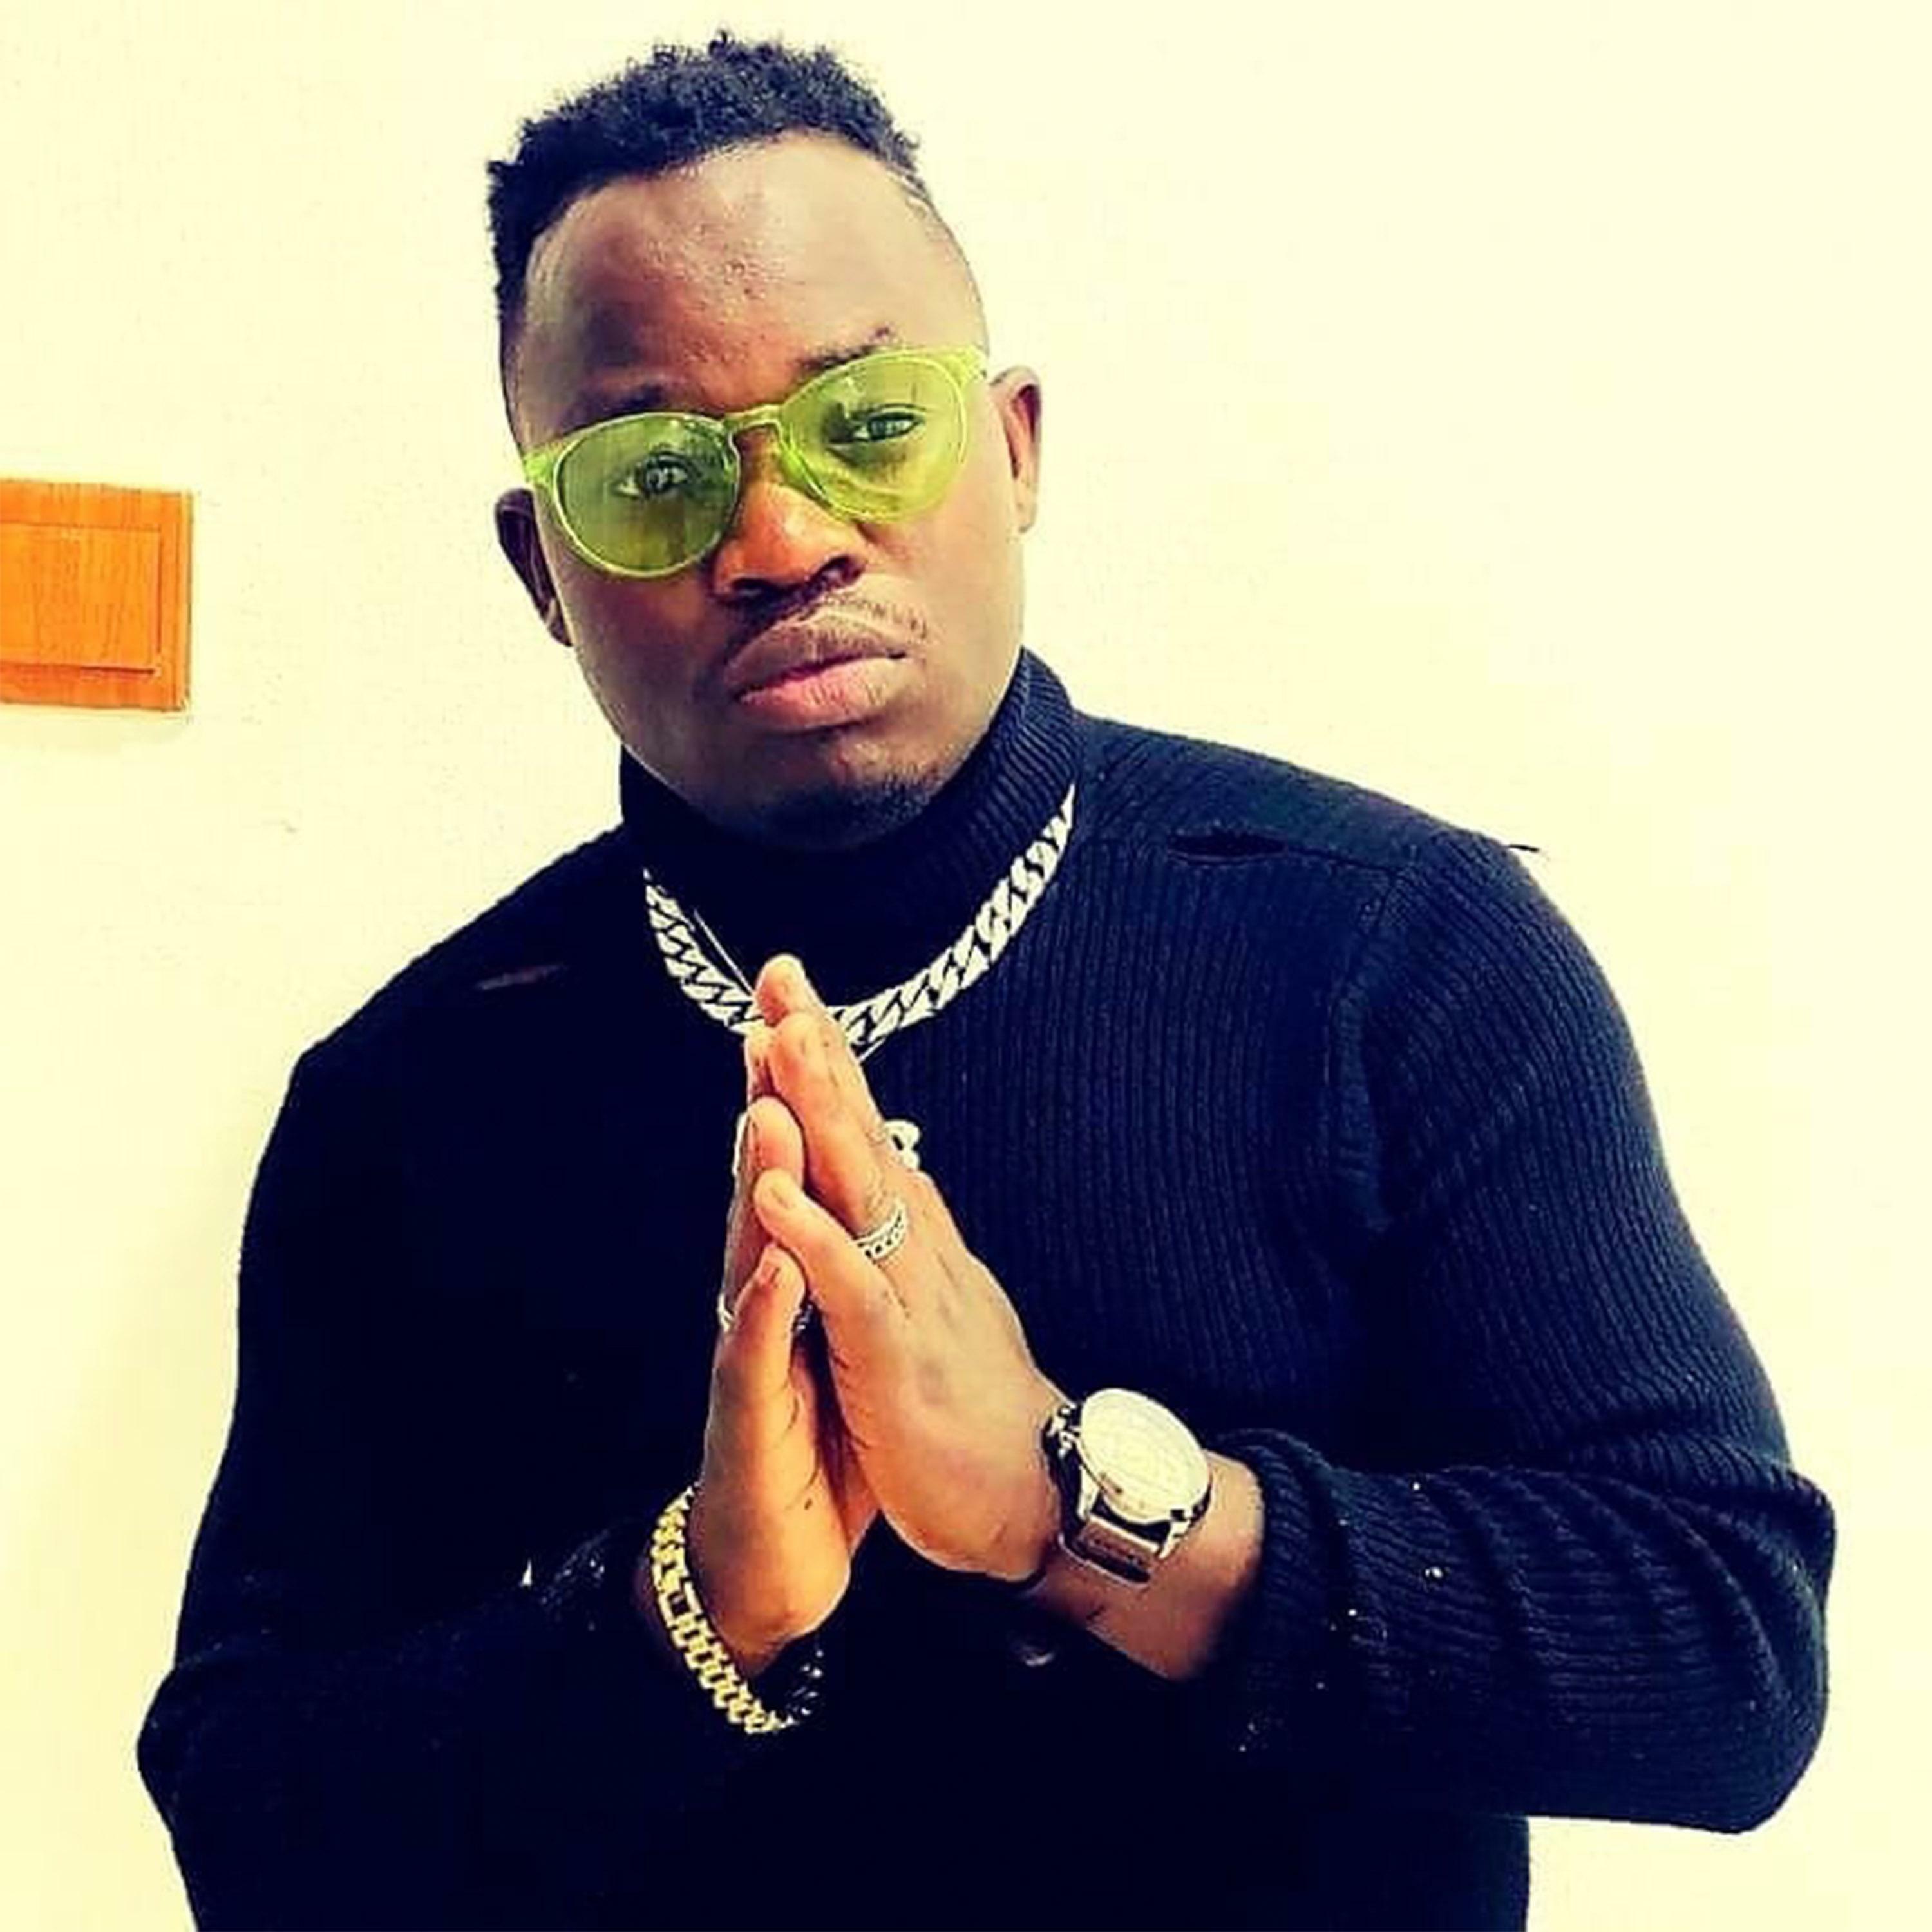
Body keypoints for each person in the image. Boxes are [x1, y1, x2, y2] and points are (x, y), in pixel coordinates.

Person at [137, 30, 1833, 1932]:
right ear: (544, 569)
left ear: (1013, 450)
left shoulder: (1392, 952)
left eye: (868, 424)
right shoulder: (411, 1100)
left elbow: (1726, 1657)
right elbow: (250, 1825)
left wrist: (1063, 1507)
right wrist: (696, 1607)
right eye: (655, 475)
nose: (782, 541)